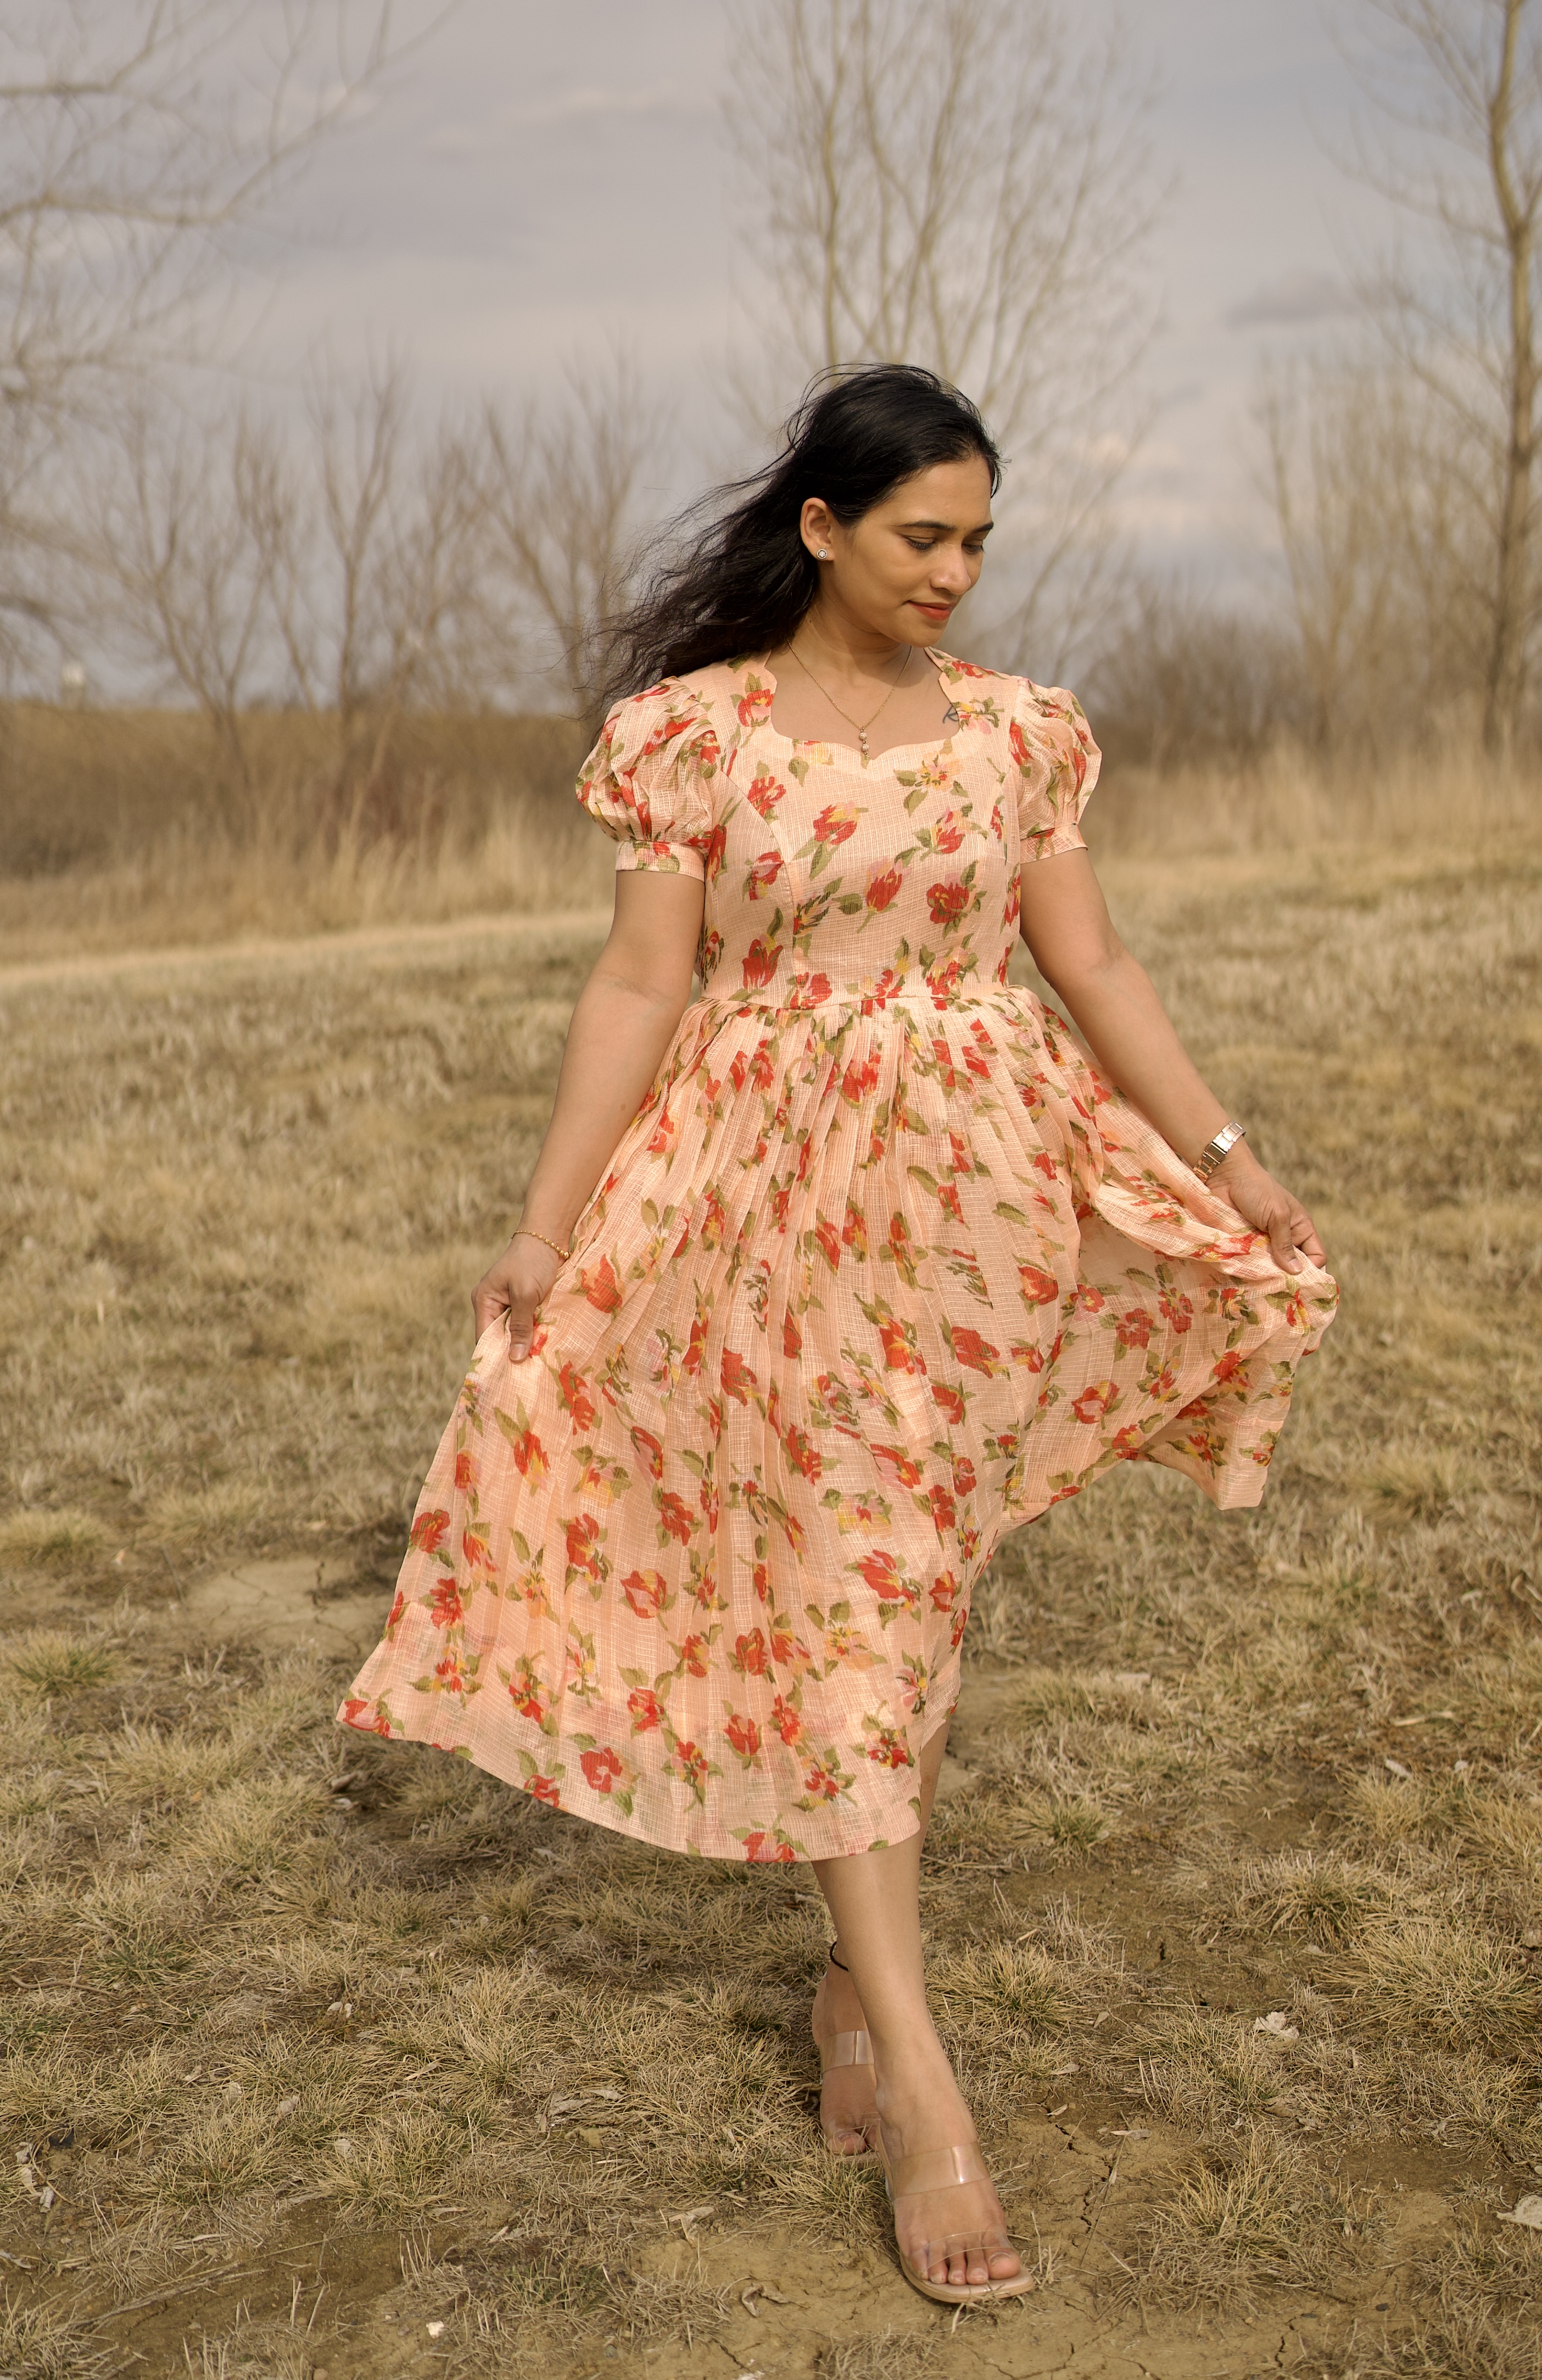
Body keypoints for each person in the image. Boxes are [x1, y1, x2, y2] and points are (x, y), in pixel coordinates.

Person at [340, 365, 1337, 2305]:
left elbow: (1091, 958)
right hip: (759, 1213)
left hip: (975, 1211)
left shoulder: (1021, 737)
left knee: (912, 1598)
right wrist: (545, 1227)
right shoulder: (692, 738)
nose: (955, 572)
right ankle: (927, 2086)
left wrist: (1233, 1160)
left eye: (978, 541)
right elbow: (641, 987)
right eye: (919, 537)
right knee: (852, 1595)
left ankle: (851, 1992)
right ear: (821, 527)